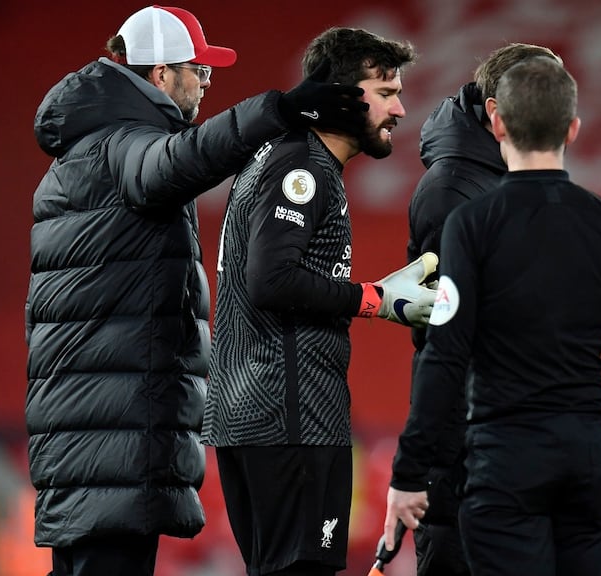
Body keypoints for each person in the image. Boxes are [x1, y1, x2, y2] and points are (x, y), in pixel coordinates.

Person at [25, 6, 369, 576]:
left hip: (99, 424)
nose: (207, 81)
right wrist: (278, 110)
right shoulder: (121, 144)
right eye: (199, 69)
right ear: (161, 73)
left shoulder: (94, 146)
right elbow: (178, 161)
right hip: (109, 429)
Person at [385, 56, 601, 576]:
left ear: (498, 123)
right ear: (573, 128)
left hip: (505, 460)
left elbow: (444, 355)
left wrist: (408, 473)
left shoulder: (471, 225)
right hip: (588, 458)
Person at [201, 27, 429, 576]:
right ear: (341, 96)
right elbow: (272, 281)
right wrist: (375, 299)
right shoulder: (301, 168)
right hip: (289, 419)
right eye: (385, 92)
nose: (399, 109)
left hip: (257, 415)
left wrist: (374, 293)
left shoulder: (280, 157)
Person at [404, 42, 563, 576]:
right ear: (496, 111)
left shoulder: (512, 180)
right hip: (468, 448)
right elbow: (448, 337)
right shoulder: (452, 191)